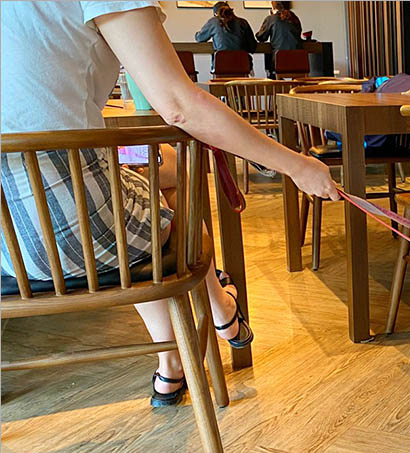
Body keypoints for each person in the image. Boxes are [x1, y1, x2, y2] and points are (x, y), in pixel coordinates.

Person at [0, 1, 338, 406]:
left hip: (7, 245)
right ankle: (216, 303)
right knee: (169, 189)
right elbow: (178, 104)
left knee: (145, 186)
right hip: (60, 234)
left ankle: (172, 365)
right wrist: (296, 166)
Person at [194, 1, 257, 73]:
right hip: (243, 65)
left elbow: (199, 38)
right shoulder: (243, 22)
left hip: (220, 65)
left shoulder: (213, 22)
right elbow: (252, 47)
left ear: (215, 14)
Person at [256, 1, 303, 79]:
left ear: (273, 8)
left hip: (280, 60)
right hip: (299, 59)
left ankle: (274, 83)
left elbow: (261, 37)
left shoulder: (271, 18)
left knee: (269, 58)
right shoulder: (294, 17)